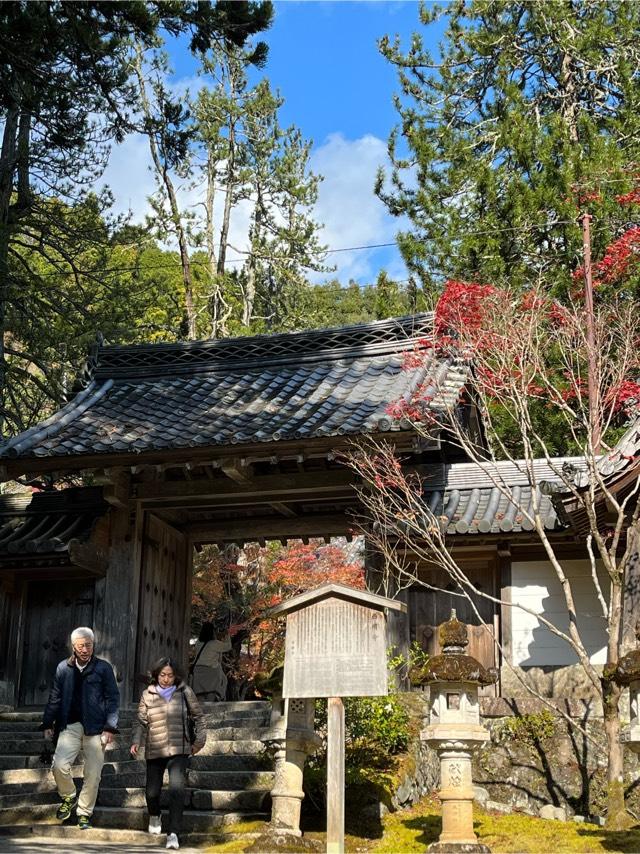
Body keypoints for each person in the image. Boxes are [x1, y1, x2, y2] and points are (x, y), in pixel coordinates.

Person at [41, 626, 119, 830]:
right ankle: (68, 796)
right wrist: (48, 722)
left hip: (96, 727)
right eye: (81, 645)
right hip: (70, 724)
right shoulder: (63, 668)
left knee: (93, 773)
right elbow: (55, 697)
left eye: (89, 645)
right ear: (73, 647)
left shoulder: (103, 668)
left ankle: (84, 813)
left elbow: (113, 698)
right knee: (59, 764)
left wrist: (110, 727)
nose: (85, 649)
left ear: (93, 645)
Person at [130, 657, 206, 851]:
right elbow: (140, 721)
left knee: (177, 791)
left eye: (170, 675)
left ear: (176, 676)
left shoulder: (185, 692)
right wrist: (136, 741)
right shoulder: (147, 694)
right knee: (152, 793)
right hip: (155, 749)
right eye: (163, 675)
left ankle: (173, 833)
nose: (166, 679)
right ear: (156, 675)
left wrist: (199, 742)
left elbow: (198, 717)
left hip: (179, 748)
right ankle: (155, 814)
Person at [190, 621, 231, 702]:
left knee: (199, 695)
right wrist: (227, 635)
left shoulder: (198, 642)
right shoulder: (214, 643)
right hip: (211, 672)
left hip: (198, 671)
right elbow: (228, 646)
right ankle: (219, 699)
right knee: (212, 693)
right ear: (212, 631)